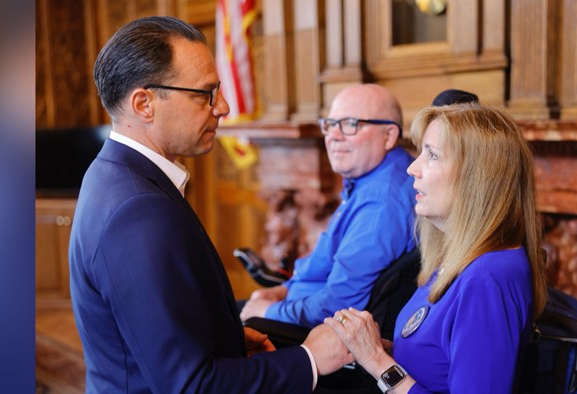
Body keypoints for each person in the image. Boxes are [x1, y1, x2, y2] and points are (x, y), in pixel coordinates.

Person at [69, 16, 351, 393]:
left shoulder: (111, 173)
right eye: (206, 93)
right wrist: (311, 358)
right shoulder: (137, 212)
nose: (223, 106)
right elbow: (190, 386)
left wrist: (229, 340)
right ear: (144, 103)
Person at [323, 103, 549, 393]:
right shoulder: (460, 254)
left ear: (476, 175)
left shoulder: (486, 278)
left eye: (431, 155)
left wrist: (376, 360)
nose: (412, 168)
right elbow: (439, 360)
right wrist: (367, 344)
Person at [239, 84, 417, 328]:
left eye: (350, 124)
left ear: (388, 136)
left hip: (317, 332)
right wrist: (282, 290)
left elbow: (338, 305)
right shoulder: (372, 177)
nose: (333, 135)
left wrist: (270, 311)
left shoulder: (381, 202)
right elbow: (325, 268)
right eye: (330, 124)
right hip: (303, 305)